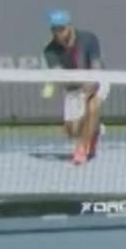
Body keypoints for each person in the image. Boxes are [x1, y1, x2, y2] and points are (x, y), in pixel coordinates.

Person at [42, 10, 106, 166]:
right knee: (72, 131)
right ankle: (95, 129)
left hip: (97, 79)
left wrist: (91, 86)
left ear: (70, 26)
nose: (58, 33)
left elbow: (96, 67)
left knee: (92, 107)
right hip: (73, 88)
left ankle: (81, 150)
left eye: (61, 29)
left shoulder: (89, 39)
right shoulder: (49, 51)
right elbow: (61, 77)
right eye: (54, 30)